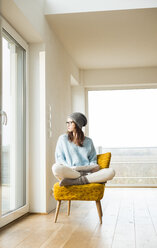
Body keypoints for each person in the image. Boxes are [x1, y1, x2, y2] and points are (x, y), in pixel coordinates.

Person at [52, 112, 115, 186]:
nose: (68, 125)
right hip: (71, 172)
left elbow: (93, 160)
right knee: (56, 168)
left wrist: (93, 167)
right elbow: (59, 158)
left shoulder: (88, 141)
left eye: (71, 122)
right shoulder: (63, 139)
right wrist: (70, 168)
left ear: (78, 124)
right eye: (67, 122)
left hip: (87, 172)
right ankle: (87, 179)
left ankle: (75, 181)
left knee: (111, 172)